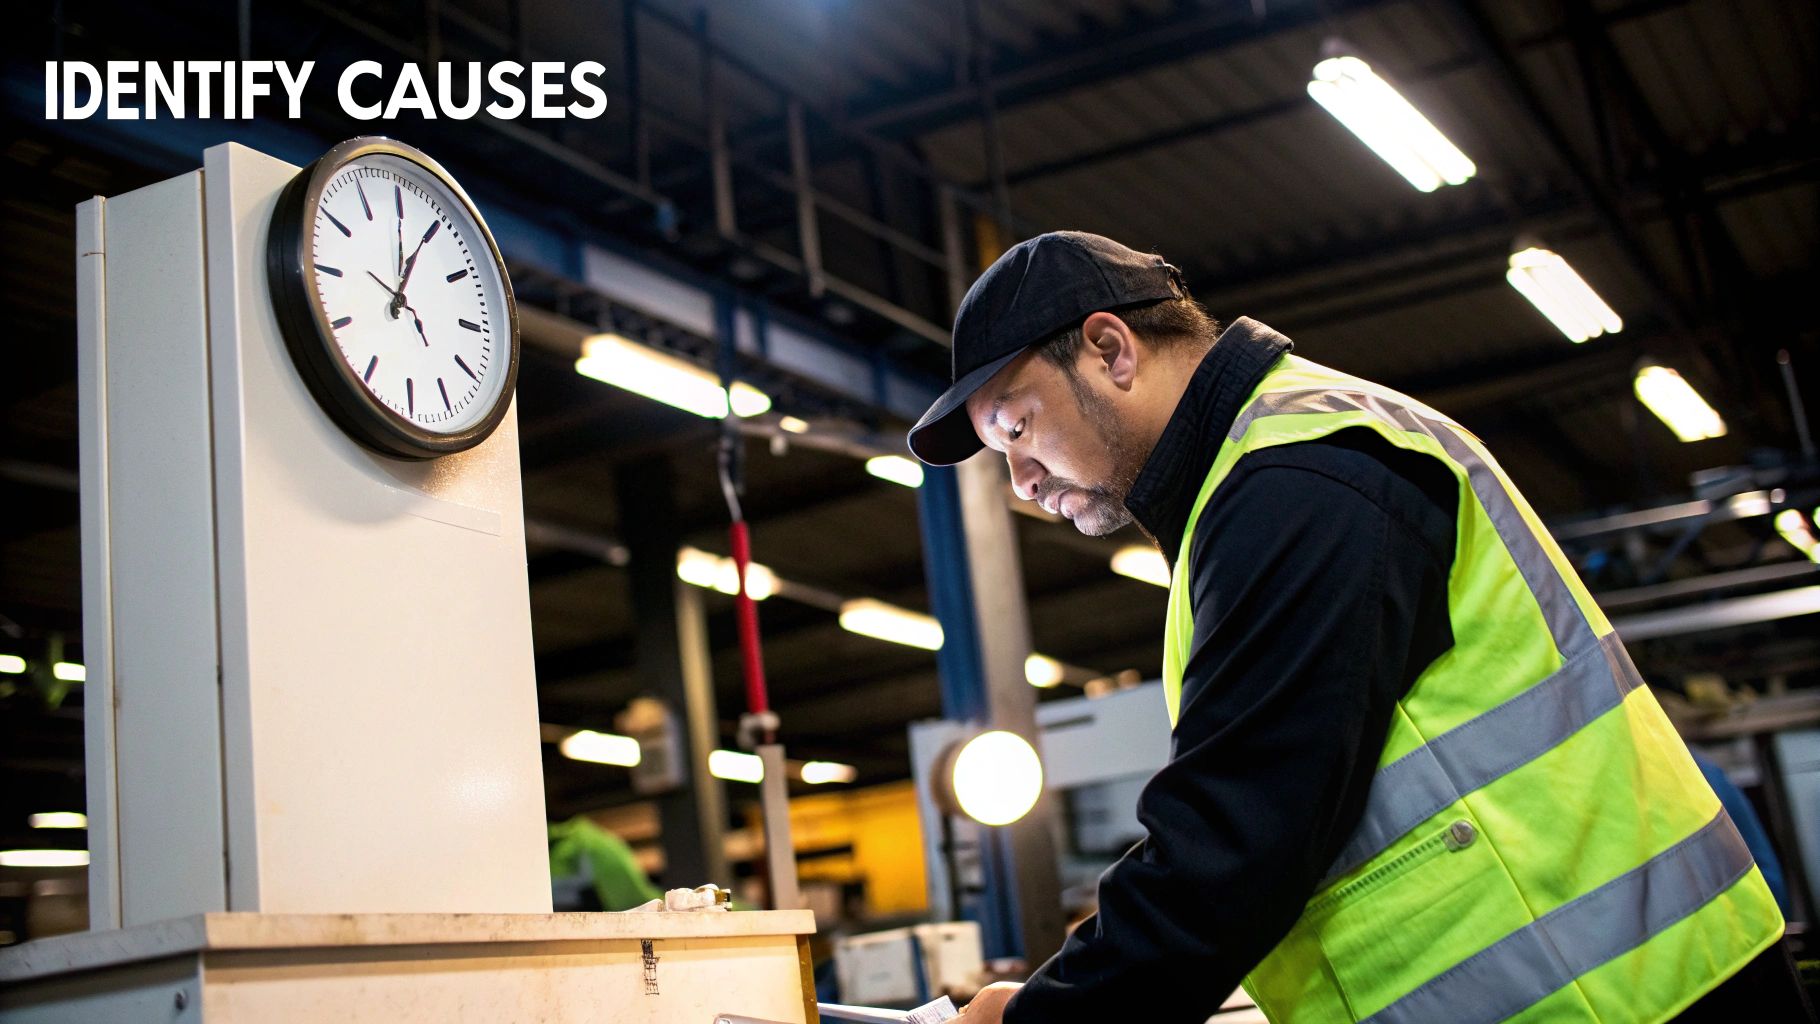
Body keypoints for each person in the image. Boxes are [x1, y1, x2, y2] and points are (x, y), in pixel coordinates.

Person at [906, 231, 1810, 1023]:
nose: (1020, 480)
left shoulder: (1298, 480)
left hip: (1621, 998)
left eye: (1017, 429)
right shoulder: (1255, 487)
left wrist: (1051, 1016)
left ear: (1111, 350)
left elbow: (1235, 841)